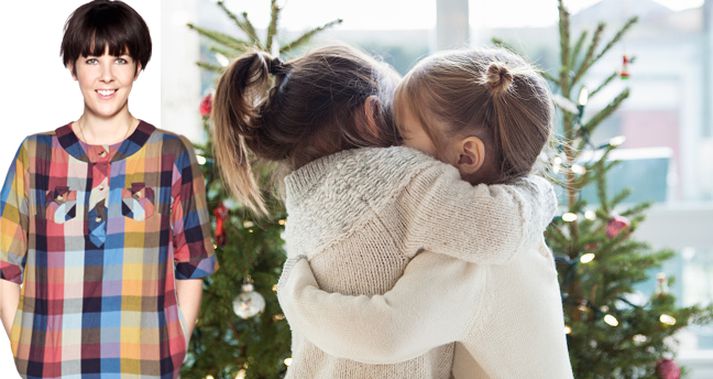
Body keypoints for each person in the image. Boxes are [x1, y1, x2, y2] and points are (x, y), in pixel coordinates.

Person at [211, 44, 557, 378]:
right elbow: (497, 227)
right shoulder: (405, 177)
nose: (403, 146)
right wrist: (537, 187)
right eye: (400, 128)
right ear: (373, 115)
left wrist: (296, 297)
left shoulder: (304, 202)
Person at [0, 1, 217, 377]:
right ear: (72, 67)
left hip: (144, 365)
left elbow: (192, 263)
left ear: (138, 66)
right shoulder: (35, 155)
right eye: (91, 60)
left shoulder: (171, 154)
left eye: (120, 59)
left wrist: (175, 346)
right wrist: (22, 345)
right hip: (52, 366)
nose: (106, 76)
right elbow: (5, 263)